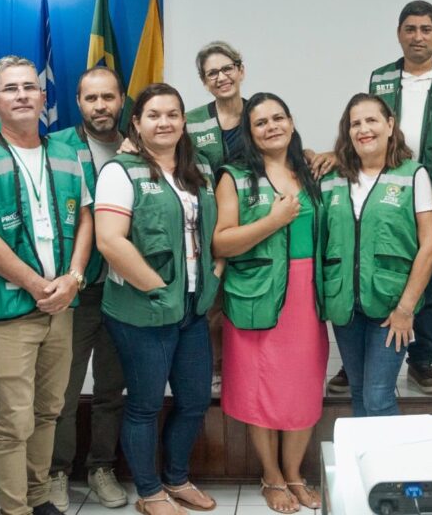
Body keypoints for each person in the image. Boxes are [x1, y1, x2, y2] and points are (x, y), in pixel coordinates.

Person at [0, 55, 93, 515]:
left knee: (48, 411)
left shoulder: (69, 154)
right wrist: (40, 285)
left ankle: (38, 499)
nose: (21, 94)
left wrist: (73, 279)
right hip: (9, 309)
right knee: (13, 422)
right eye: (10, 89)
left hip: (63, 306)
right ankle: (13, 509)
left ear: (42, 97)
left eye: (29, 87)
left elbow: (87, 218)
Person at [327, 0, 432, 396]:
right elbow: (364, 122)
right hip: (386, 181)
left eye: (426, 29)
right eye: (410, 29)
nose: (418, 36)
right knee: (369, 263)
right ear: (399, 34)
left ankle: (422, 359)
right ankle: (359, 360)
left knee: (431, 280)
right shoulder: (381, 78)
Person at [95, 83, 220, 515]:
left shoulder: (197, 168)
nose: (164, 122)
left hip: (192, 308)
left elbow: (210, 233)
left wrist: (214, 276)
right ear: (137, 123)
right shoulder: (120, 171)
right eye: (153, 115)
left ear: (184, 122)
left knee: (194, 400)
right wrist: (157, 288)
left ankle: (177, 478)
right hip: (141, 310)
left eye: (172, 114)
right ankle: (149, 492)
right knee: (145, 404)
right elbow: (110, 242)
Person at [213, 93, 328, 513]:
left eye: (278, 118)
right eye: (260, 122)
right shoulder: (235, 176)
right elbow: (221, 240)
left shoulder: (310, 170)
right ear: (249, 131)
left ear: (292, 122)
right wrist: (272, 222)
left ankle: (294, 472)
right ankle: (271, 475)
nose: (271, 127)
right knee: (259, 386)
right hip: (256, 290)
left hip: (305, 292)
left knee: (302, 385)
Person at [320, 93, 432, 417]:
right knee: (358, 393)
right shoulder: (332, 180)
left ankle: (393, 470)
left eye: (371, 120)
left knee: (378, 395)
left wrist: (406, 308)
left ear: (389, 125)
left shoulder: (414, 175)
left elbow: (429, 246)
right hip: (345, 306)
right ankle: (365, 468)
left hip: (391, 309)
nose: (363, 129)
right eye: (355, 123)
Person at [47, 67, 129, 511]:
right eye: (91, 98)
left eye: (108, 97)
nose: (100, 106)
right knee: (64, 387)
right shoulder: (55, 145)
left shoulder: (139, 146)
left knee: (111, 388)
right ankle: (57, 471)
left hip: (122, 291)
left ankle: (101, 467)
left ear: (121, 100)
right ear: (78, 102)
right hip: (75, 288)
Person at [186, 41, 249, 396]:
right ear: (204, 80)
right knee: (212, 300)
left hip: (254, 219)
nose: (222, 77)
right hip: (208, 223)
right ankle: (215, 370)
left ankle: (244, 367)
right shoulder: (192, 121)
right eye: (213, 73)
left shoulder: (260, 110)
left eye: (228, 68)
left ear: (241, 70)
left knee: (247, 297)